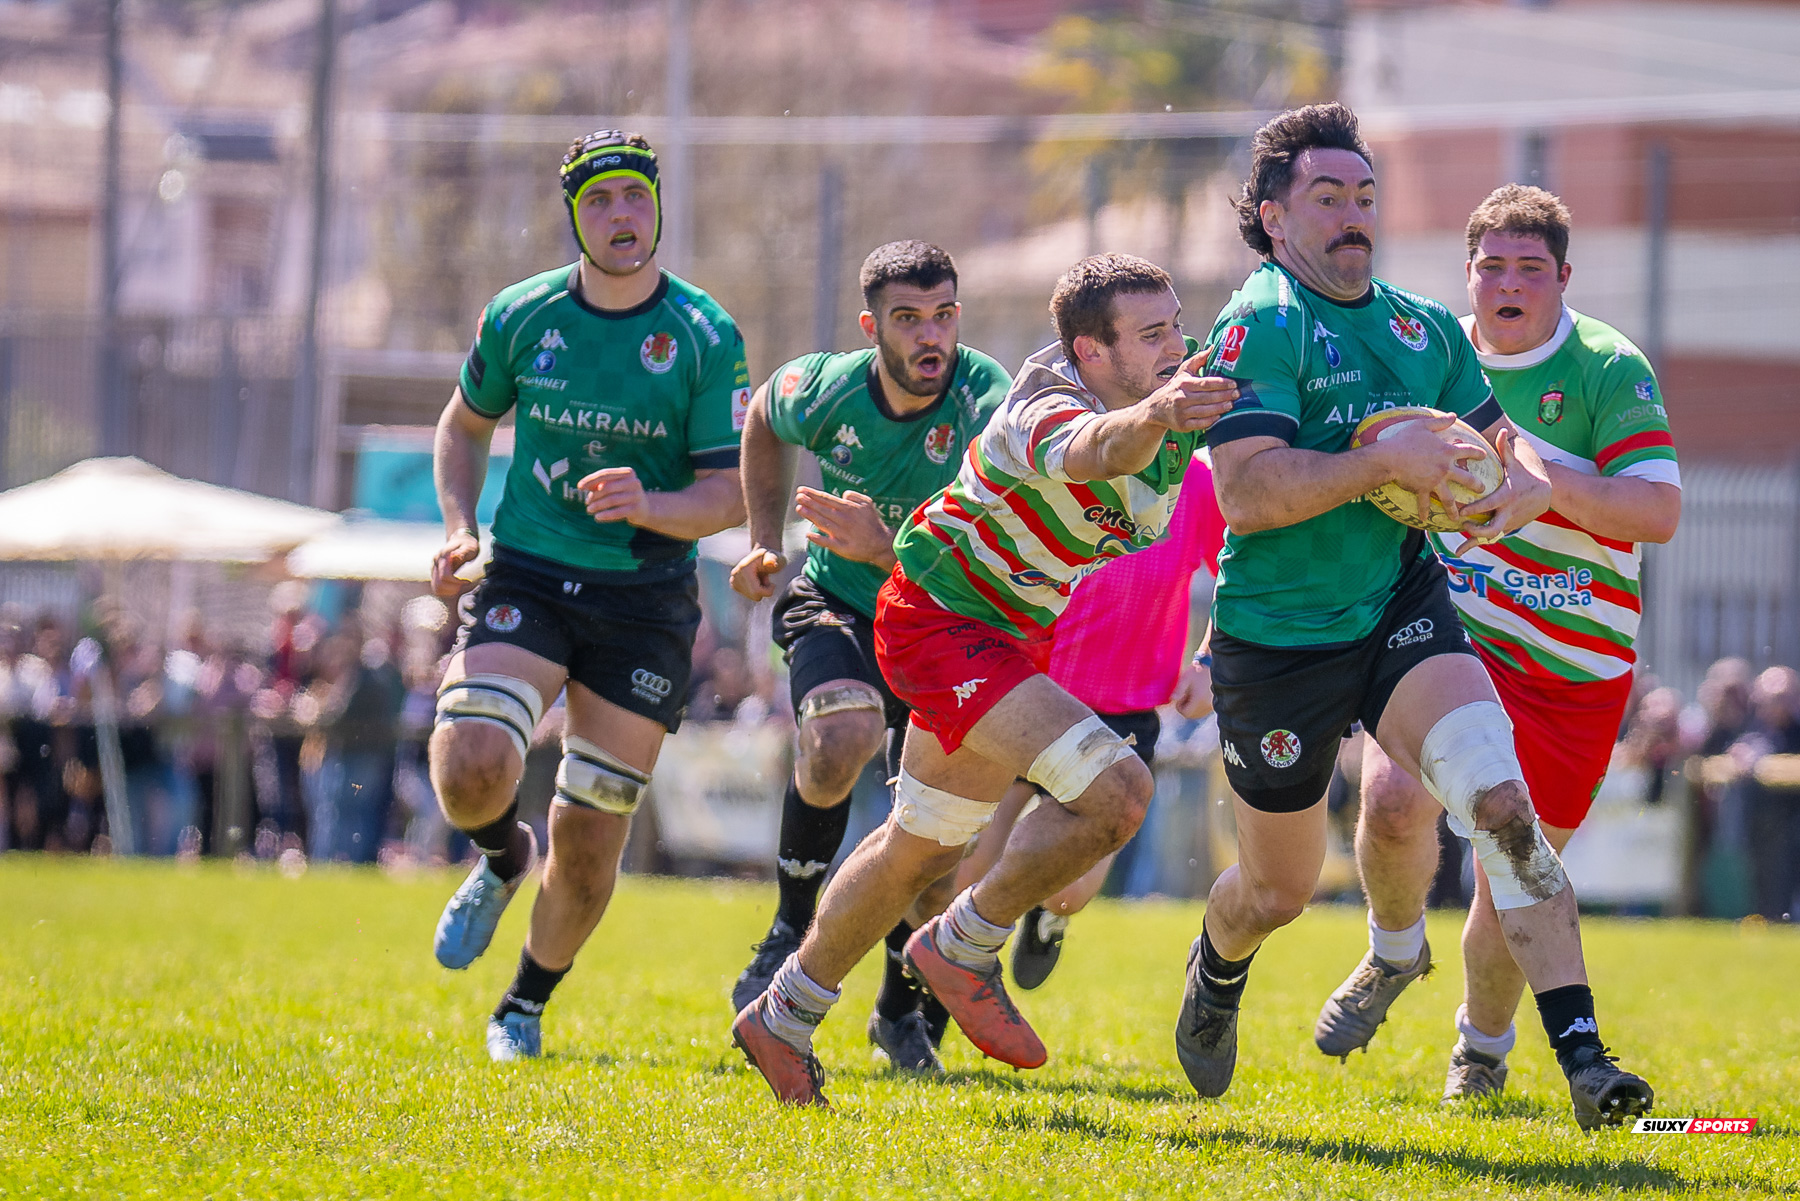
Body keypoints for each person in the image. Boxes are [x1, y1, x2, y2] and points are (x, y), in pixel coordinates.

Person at [1180, 104, 1654, 1131]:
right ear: (1271, 214)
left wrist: (1514, 490)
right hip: (1281, 636)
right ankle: (1219, 968)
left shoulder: (1424, 328)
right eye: (1326, 198)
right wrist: (1380, 465)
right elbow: (1248, 494)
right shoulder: (1258, 322)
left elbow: (1497, 448)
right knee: (1279, 888)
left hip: (1402, 608)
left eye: (1364, 196)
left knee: (1502, 806)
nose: (1354, 216)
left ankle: (1582, 1053)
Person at [732, 253, 1238, 1106]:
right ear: (1091, 351)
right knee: (1120, 791)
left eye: (1175, 326)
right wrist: (1163, 407)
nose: (1173, 347)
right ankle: (963, 943)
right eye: (1151, 335)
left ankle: (781, 1015)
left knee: (921, 844)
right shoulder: (1044, 405)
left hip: (1007, 637)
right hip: (941, 623)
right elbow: (1098, 449)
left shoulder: (1169, 406)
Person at [1309, 184, 1681, 1107]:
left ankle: (1481, 1045)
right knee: (1393, 798)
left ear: (1562, 278)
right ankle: (1393, 952)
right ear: (1468, 274)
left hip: (1576, 672)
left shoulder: (1604, 366)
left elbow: (1659, 510)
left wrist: (1547, 482)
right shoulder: (1431, 355)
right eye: (1492, 267)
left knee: (1510, 879)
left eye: (1529, 269)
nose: (1508, 285)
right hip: (1457, 639)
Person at [425, 130, 748, 1061]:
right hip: (528, 571)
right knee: (472, 760)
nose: (620, 216)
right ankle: (498, 856)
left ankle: (522, 1005)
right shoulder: (522, 315)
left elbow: (728, 492)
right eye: (600, 200)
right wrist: (458, 525)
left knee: (591, 838)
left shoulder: (702, 332)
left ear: (657, 208)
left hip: (644, 600)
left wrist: (651, 501)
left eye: (635, 198)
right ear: (575, 215)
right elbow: (463, 424)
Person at [726, 240, 1012, 1072]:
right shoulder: (826, 387)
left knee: (934, 840)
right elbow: (762, 420)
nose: (932, 337)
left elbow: (986, 557)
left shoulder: (987, 401)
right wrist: (760, 537)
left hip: (943, 619)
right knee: (842, 737)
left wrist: (891, 550)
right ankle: (787, 924)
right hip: (840, 604)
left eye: (945, 315)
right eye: (908, 319)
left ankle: (898, 1009)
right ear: (871, 327)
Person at [954, 449, 1224, 990]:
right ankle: (938, 976)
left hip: (1125, 707)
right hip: (1032, 681)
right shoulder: (1067, 451)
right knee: (979, 840)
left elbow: (1241, 570)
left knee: (1068, 889)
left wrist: (1207, 659)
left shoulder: (1196, 483)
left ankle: (1047, 916)